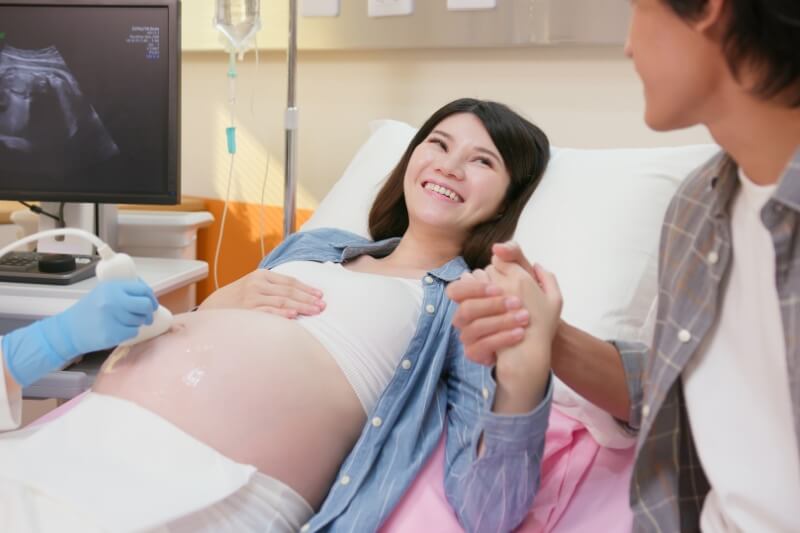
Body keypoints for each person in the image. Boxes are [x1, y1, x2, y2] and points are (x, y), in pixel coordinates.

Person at [0, 98, 555, 533]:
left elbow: (489, 509)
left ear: (509, 201)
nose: (449, 166)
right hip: (80, 440)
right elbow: (222, 328)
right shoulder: (317, 244)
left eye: (482, 161)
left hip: (198, 491)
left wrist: (526, 378)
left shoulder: (470, 303)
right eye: (437, 143)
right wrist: (209, 305)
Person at [448, 1, 800, 531]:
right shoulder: (699, 210)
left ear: (709, 10)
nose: (629, 44)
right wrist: (545, 330)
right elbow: (665, 382)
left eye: (637, 8)